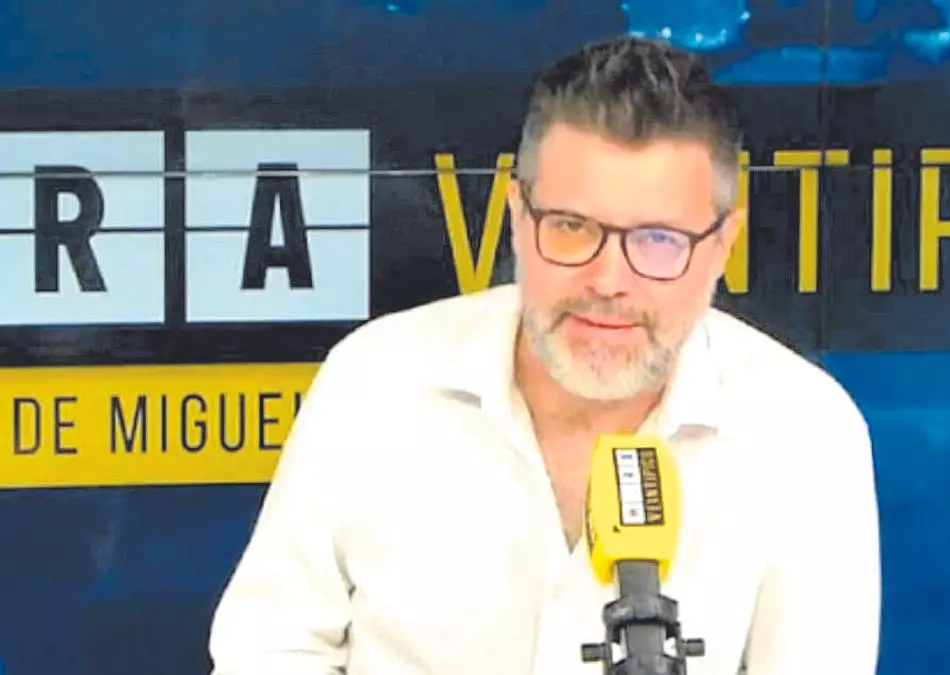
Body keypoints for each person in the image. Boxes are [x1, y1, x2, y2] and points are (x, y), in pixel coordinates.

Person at [208, 35, 880, 675]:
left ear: (722, 247)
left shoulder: (805, 433)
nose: (609, 280)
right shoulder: (375, 381)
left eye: (658, 240)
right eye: (571, 227)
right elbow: (270, 649)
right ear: (517, 217)